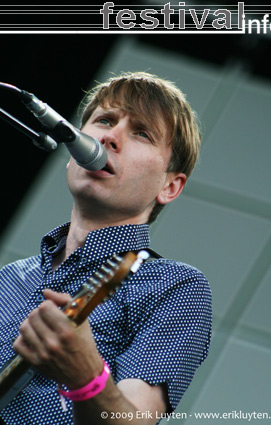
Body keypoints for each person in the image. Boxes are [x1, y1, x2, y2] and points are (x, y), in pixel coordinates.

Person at [0, 71, 212, 425]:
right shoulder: (10, 277)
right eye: (104, 120)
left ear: (170, 187)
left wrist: (86, 378)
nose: (110, 137)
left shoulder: (175, 288)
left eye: (141, 133)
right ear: (72, 153)